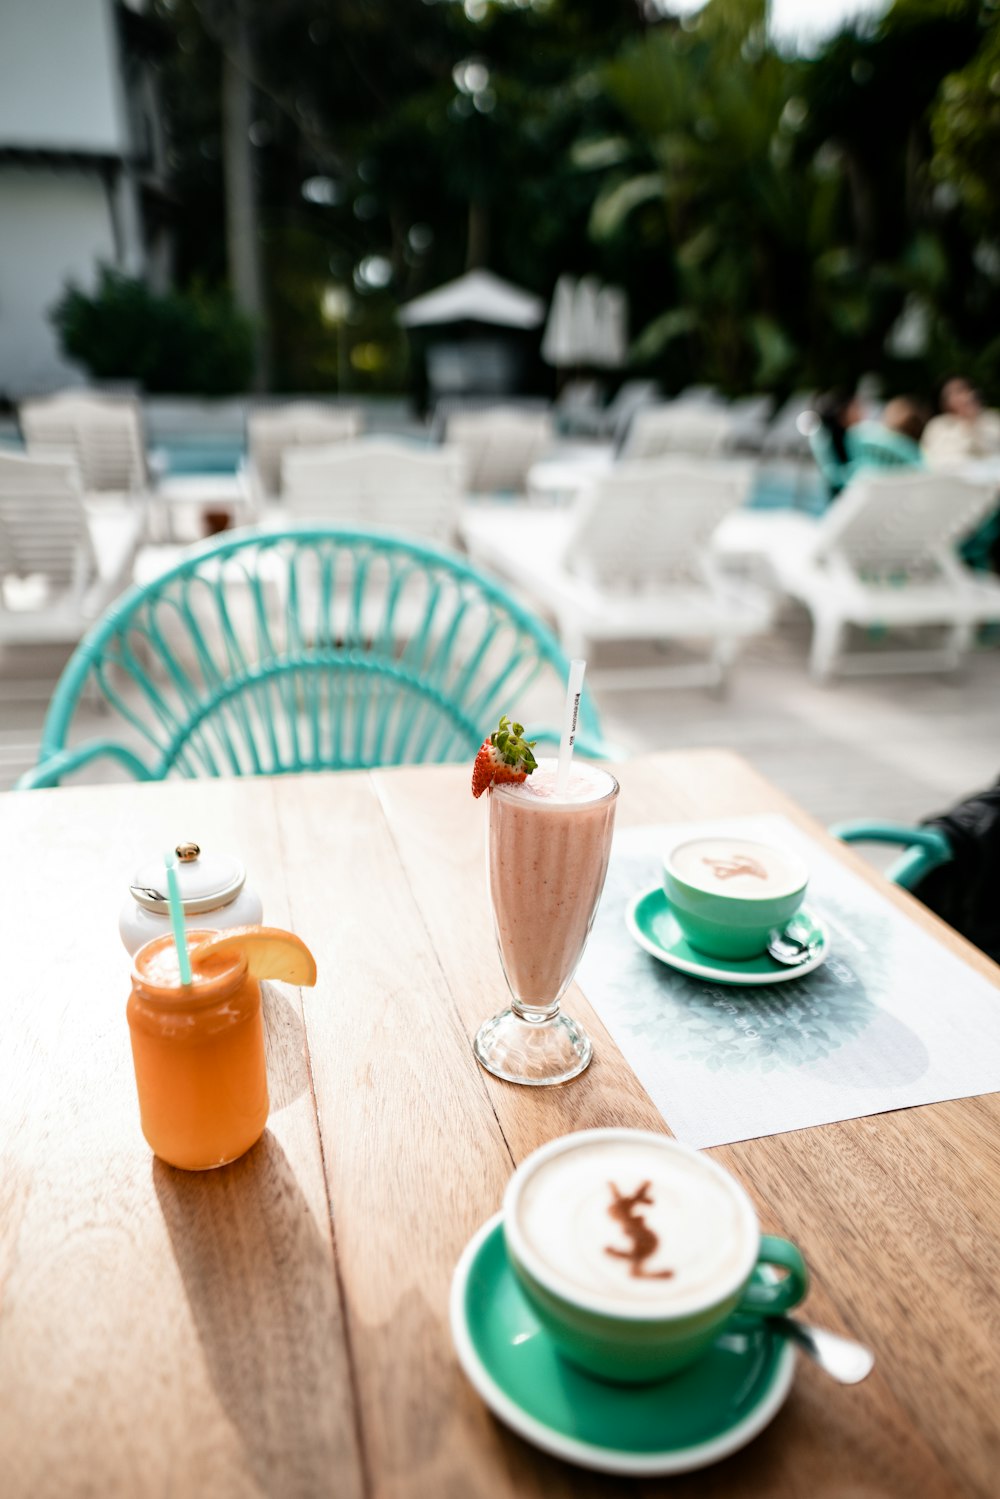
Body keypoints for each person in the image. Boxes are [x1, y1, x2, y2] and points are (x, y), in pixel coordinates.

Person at [922, 377, 1000, 469]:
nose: (966, 396)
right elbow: (936, 458)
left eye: (966, 389)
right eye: (957, 392)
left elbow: (993, 450)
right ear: (945, 402)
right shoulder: (938, 426)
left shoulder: (991, 419)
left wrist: (973, 423)